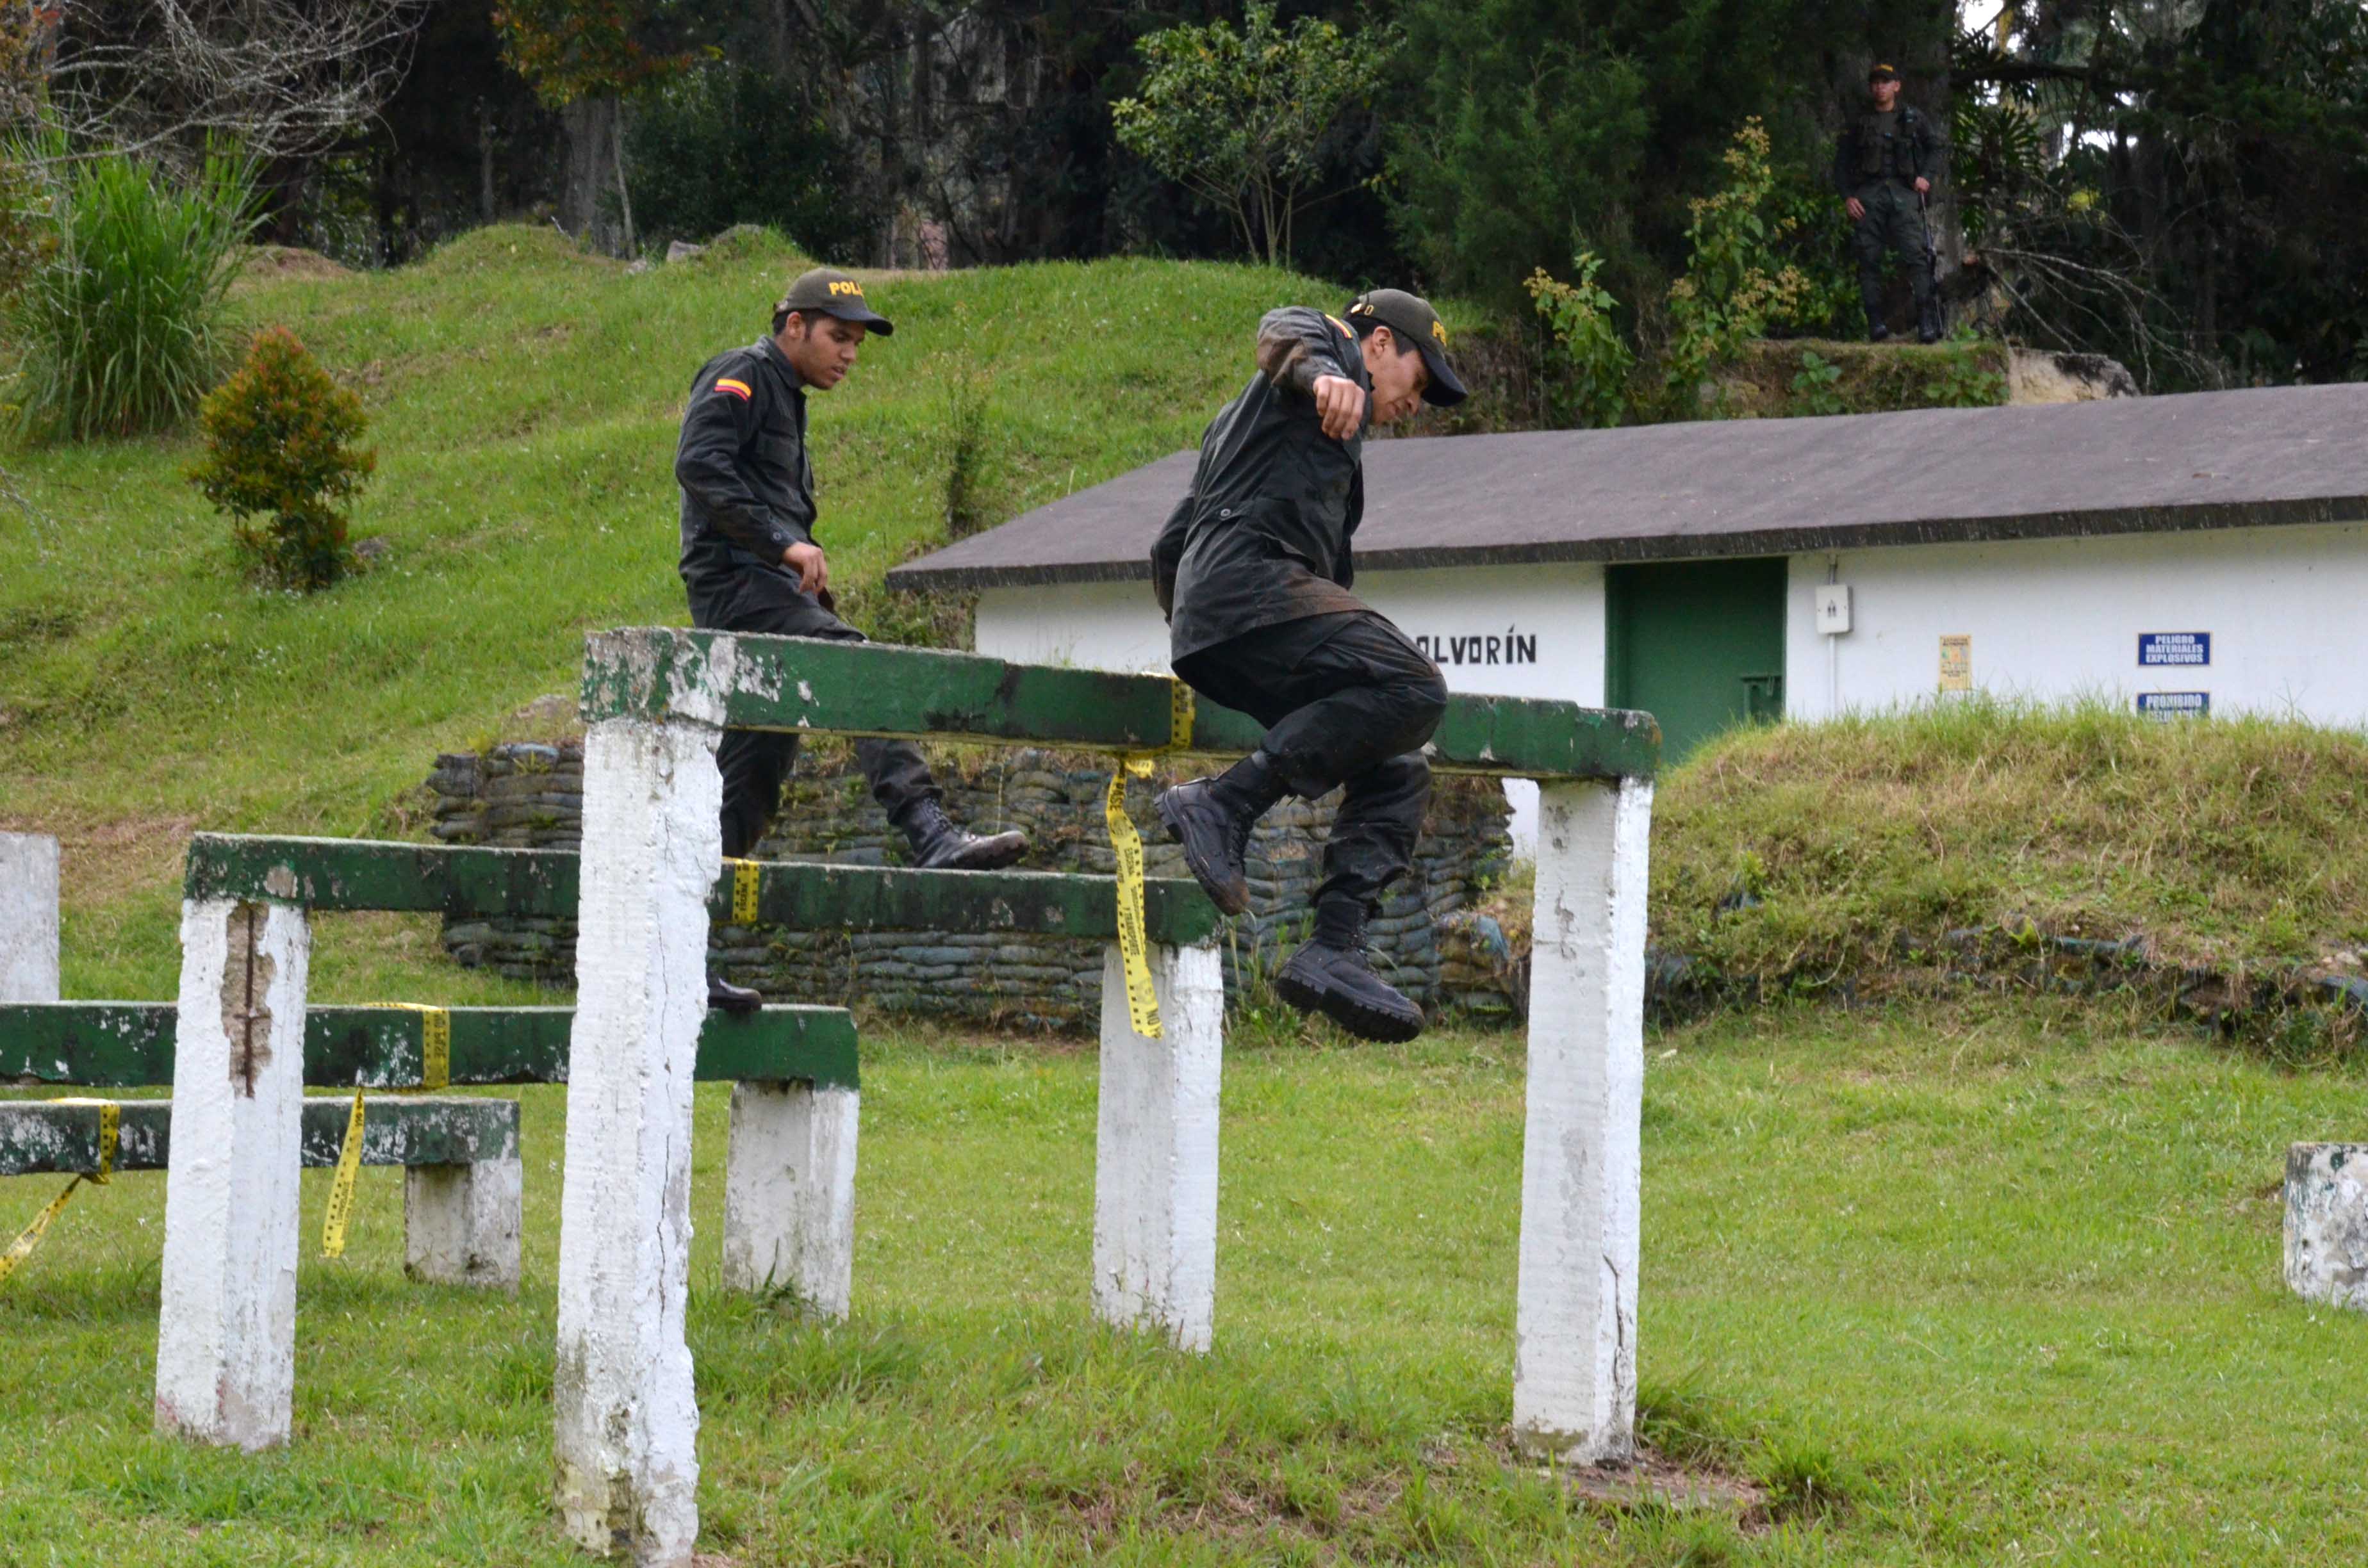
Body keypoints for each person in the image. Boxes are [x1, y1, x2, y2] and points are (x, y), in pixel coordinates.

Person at [677, 266, 1028, 1013]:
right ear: (792, 325)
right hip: (737, 590)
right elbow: (698, 466)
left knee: (748, 789)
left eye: (859, 344)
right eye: (839, 337)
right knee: (856, 666)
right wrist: (784, 545)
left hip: (764, 591)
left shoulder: (788, 397)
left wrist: (797, 562)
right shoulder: (742, 375)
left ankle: (681, 962)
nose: (850, 355)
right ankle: (926, 828)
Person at [1148, 291, 1465, 1043]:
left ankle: (1336, 945)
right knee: (1416, 686)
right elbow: (1286, 326)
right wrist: (1328, 371)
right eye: (1417, 384)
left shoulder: (1260, 431)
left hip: (1224, 621)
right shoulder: (1326, 362)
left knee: (1397, 760)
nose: (1414, 405)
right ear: (1380, 343)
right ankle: (1223, 805)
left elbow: (1170, 543)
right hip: (1247, 591)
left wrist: (1192, 622)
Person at [1834, 63, 1945, 343]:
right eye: (1875, 82)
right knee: (1868, 259)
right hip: (1869, 197)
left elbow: (1936, 148)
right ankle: (1875, 324)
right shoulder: (1860, 122)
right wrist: (1848, 196)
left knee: (1917, 258)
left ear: (1897, 86)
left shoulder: (1913, 119)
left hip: (1904, 196)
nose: (1879, 87)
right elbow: (1842, 164)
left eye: (1886, 82)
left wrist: (1926, 177)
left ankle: (1926, 323)